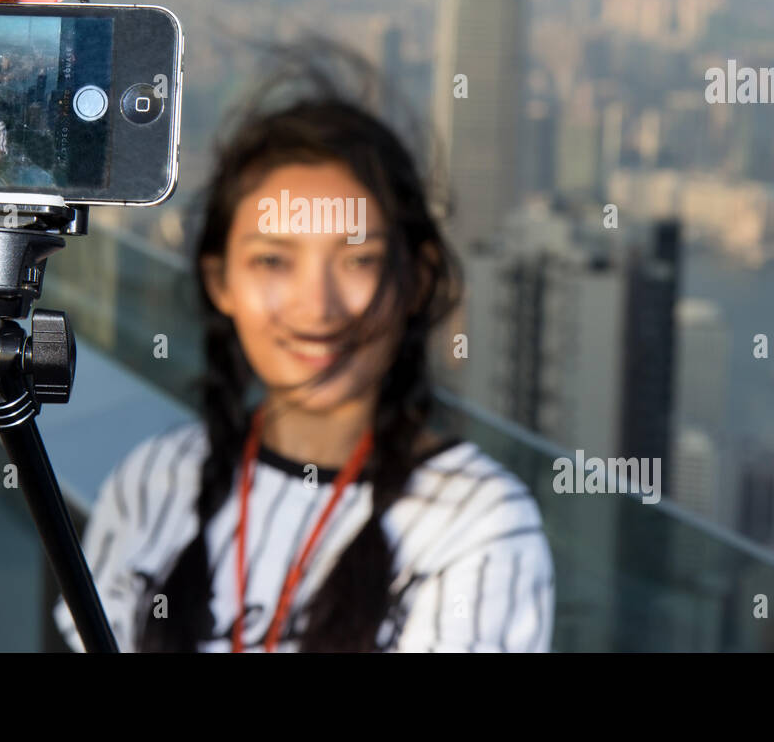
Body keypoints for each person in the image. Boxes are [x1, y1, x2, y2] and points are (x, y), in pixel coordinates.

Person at [54, 39, 554, 652]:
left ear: (416, 278)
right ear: (221, 281)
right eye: (273, 260)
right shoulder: (156, 480)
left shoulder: (477, 522)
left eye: (358, 259)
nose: (317, 307)